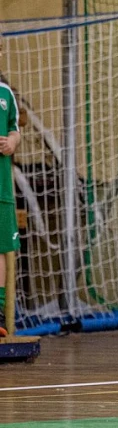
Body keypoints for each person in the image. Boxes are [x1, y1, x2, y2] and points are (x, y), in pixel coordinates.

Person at [0, 36, 19, 333]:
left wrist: (12, 142)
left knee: (1, 249)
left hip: (1, 191)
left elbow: (15, 128)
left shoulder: (5, 94)